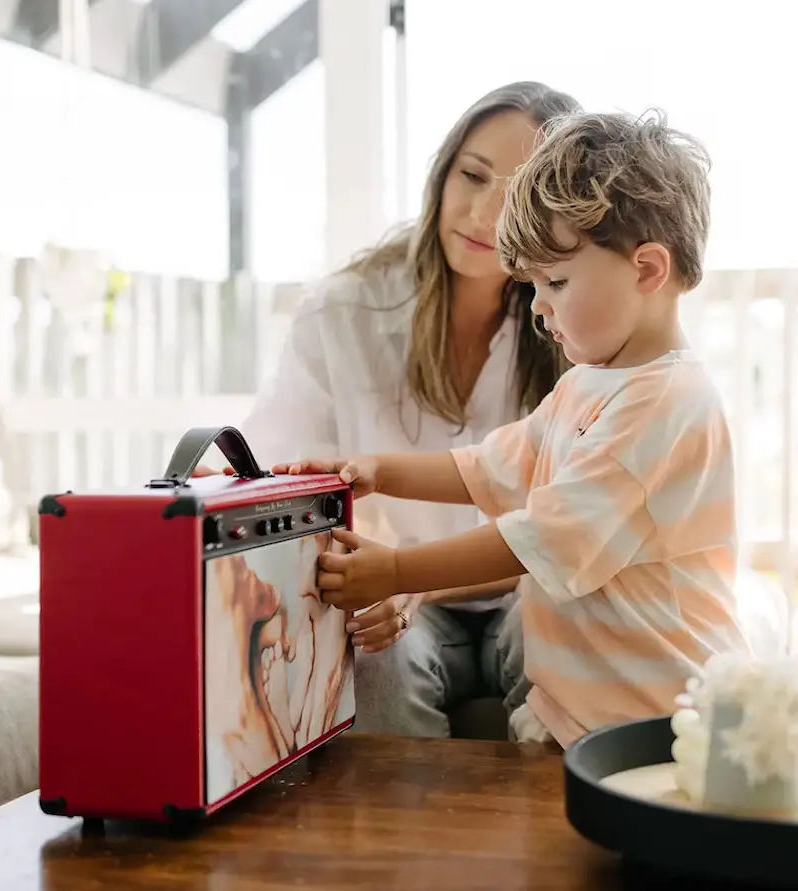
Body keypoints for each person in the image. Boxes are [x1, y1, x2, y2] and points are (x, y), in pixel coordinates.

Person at [274, 109, 753, 749]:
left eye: (555, 282)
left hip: (662, 717)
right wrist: (380, 471)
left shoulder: (665, 404)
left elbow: (542, 538)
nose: (538, 307)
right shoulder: (590, 382)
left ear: (647, 271)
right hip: (583, 711)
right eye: (531, 285)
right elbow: (490, 466)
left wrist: (396, 571)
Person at [214, 82, 583, 739]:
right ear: (443, 172)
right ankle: (402, 842)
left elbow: (573, 533)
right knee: (377, 655)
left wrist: (414, 577)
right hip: (398, 600)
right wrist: (375, 575)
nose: (482, 213)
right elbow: (275, 478)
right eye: (471, 176)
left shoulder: (577, 319)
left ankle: (558, 838)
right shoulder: (346, 311)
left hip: (525, 588)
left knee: (565, 629)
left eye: (519, 194)